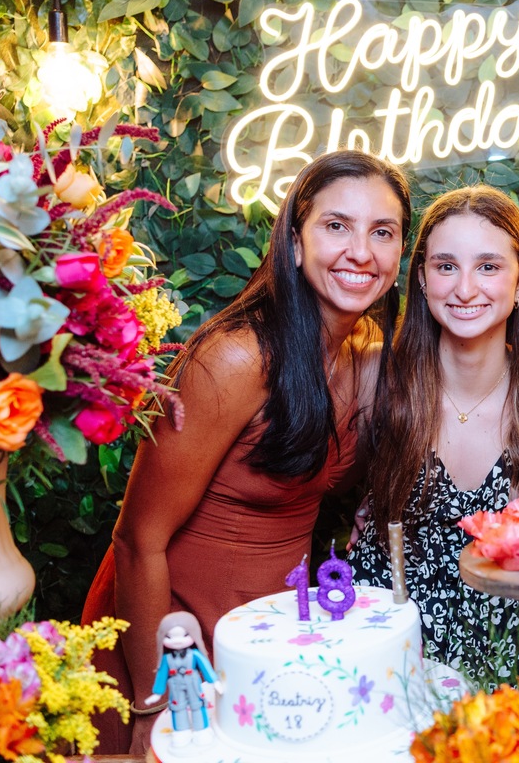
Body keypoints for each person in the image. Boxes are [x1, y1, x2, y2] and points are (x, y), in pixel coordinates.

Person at [81, 150, 410, 754]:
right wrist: (157, 701)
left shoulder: (364, 352)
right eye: (336, 226)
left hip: (269, 644)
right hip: (172, 641)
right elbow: (137, 539)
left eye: (382, 232)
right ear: (293, 241)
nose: (361, 251)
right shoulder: (235, 357)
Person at [349, 184, 519, 681]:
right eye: (446, 265)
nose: (465, 288)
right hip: (391, 657)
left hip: (514, 664)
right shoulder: (376, 378)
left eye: (489, 267)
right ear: (422, 278)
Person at [144, 612, 222, 748]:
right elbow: (162, 675)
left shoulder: (195, 655)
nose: (177, 641)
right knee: (177, 707)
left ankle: (201, 730)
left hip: (193, 683)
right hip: (175, 685)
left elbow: (206, 668)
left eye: (185, 635)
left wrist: (214, 682)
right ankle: (181, 731)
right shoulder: (167, 659)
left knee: (197, 705)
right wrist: (157, 693)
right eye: (169, 637)